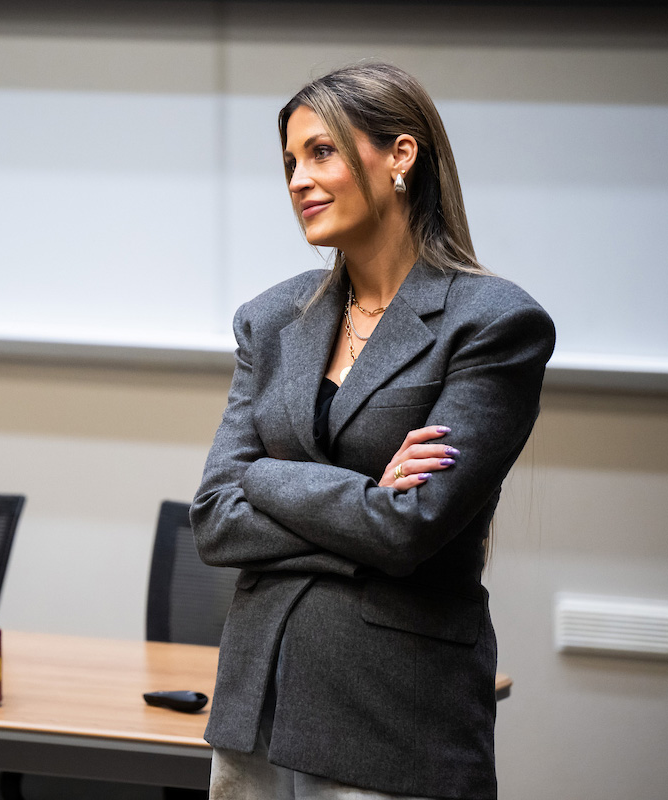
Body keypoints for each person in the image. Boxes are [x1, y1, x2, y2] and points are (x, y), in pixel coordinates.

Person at [190, 62, 554, 800]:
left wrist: (266, 477)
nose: (297, 180)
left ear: (401, 156)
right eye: (290, 162)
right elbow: (215, 521)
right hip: (256, 706)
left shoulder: (492, 324)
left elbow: (409, 529)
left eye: (321, 152)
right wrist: (360, 498)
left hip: (394, 721)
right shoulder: (271, 321)